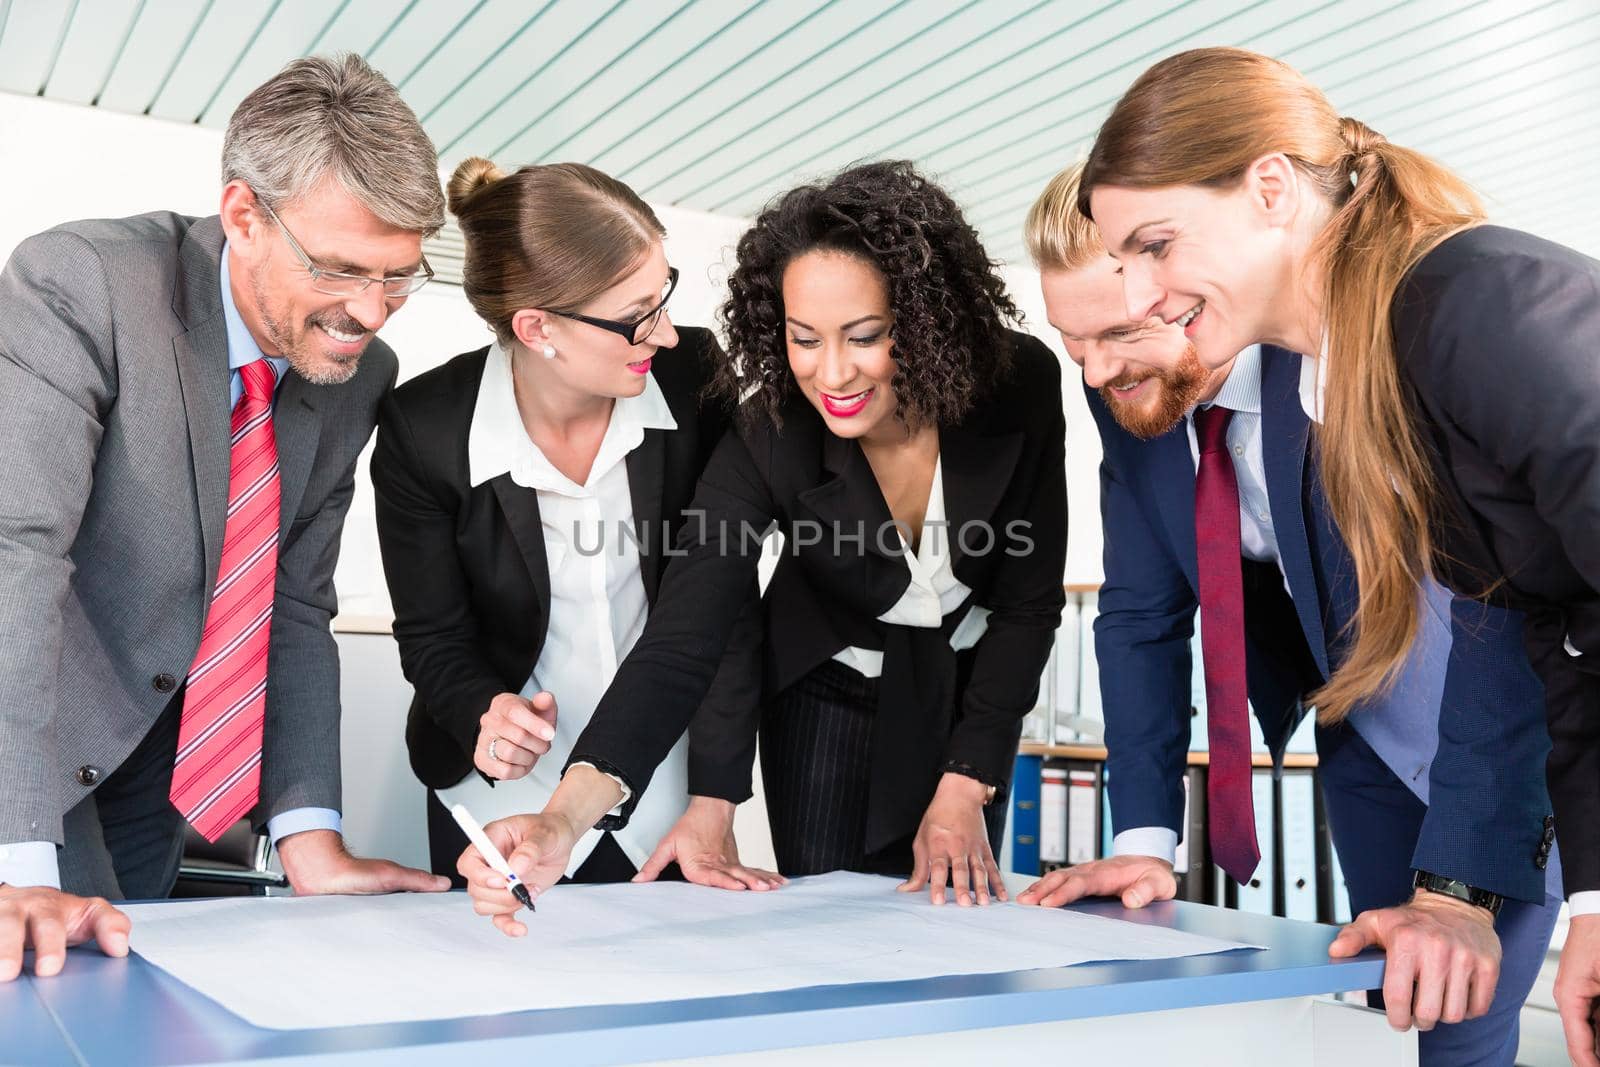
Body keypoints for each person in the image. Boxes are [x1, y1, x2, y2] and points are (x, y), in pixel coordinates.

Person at [1076, 45, 1600, 1064]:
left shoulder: (1477, 306)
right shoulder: (1369, 377)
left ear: (1270, 187)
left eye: (1153, 243)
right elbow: (1528, 630)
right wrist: (1477, 894)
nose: (1138, 291)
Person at [458, 160, 1068, 935]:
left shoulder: (1018, 384)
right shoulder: (769, 430)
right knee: (837, 928)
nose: (832, 373)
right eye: (803, 338)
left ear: (924, 318)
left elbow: (1028, 604)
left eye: (867, 336)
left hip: (967, 687)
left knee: (957, 919)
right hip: (822, 685)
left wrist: (967, 780)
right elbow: (684, 639)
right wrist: (560, 823)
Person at [0, 54, 454, 983]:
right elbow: (15, 553)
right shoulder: (84, 285)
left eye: (400, 277)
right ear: (245, 216)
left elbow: (293, 601)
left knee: (147, 993)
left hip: (171, 758)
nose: (369, 311)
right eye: (340, 268)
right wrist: (14, 857)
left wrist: (308, 832)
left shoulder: (359, 372)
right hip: (30, 738)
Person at [371, 156, 778, 891]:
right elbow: (432, 634)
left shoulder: (695, 386)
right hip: (495, 800)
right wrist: (482, 713)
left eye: (663, 297)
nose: (666, 336)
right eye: (635, 317)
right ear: (537, 328)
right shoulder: (424, 427)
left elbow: (724, 610)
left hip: (666, 795)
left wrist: (717, 794)